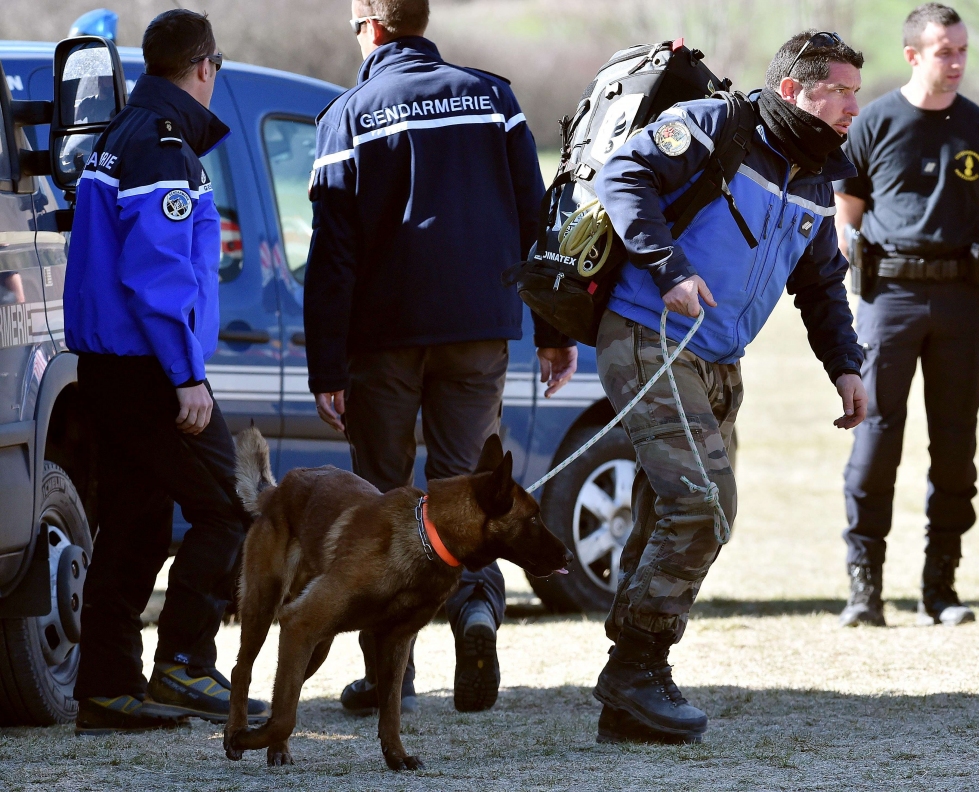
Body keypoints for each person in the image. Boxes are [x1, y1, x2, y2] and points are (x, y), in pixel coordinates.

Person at [590, 31, 867, 743]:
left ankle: (630, 700)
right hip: (647, 336)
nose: (851, 107)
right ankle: (636, 667)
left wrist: (847, 367)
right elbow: (623, 175)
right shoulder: (717, 127)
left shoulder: (814, 174)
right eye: (838, 91)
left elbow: (821, 284)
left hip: (718, 362)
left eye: (854, 94)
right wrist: (668, 267)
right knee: (704, 504)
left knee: (674, 515)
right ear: (791, 91)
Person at [303, 0, 577, 715]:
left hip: (382, 340)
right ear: (420, 20)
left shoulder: (347, 115)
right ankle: (479, 612)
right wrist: (554, 329)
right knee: (472, 489)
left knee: (382, 504)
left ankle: (388, 673)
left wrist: (325, 367)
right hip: (480, 328)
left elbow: (331, 255)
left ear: (369, 26)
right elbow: (536, 212)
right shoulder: (493, 97)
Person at [65, 9, 266, 734]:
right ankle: (184, 663)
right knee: (234, 506)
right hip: (150, 369)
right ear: (205, 66)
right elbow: (158, 278)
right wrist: (187, 374)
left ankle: (109, 689)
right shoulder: (163, 146)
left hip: (109, 367)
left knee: (136, 524)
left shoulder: (120, 134)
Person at [835, 3, 979, 629]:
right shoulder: (876, 123)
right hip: (889, 302)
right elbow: (846, 218)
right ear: (914, 54)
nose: (957, 61)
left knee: (955, 449)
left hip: (962, 304)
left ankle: (940, 588)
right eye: (945, 50)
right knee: (875, 441)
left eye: (962, 49)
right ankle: (865, 590)